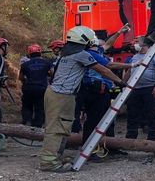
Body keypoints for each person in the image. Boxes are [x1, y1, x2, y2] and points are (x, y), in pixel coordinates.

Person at [40, 26, 125, 172]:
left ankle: (55, 157)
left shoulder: (65, 54)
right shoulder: (81, 55)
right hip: (62, 95)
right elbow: (103, 69)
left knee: (63, 126)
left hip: (57, 93)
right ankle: (49, 162)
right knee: (57, 128)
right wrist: (121, 82)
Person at [79, 25, 134, 160]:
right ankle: (90, 150)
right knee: (93, 120)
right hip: (94, 90)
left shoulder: (97, 51)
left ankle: (111, 147)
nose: (101, 44)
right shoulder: (90, 54)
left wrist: (119, 32)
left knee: (108, 120)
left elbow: (109, 44)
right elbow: (109, 66)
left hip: (103, 90)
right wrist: (132, 65)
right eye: (97, 41)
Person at [124, 36, 155, 141]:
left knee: (151, 113)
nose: (134, 43)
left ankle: (151, 138)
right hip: (134, 89)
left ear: (144, 44)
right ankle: (131, 137)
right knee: (132, 112)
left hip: (149, 88)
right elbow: (130, 70)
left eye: (137, 41)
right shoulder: (135, 57)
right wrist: (124, 83)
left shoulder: (154, 56)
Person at [20, 44, 52, 127]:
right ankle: (38, 126)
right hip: (42, 88)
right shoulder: (47, 63)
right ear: (40, 53)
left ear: (29, 54)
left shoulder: (25, 64)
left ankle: (27, 122)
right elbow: (52, 73)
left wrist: (25, 82)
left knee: (27, 106)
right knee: (40, 107)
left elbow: (20, 77)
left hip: (28, 87)